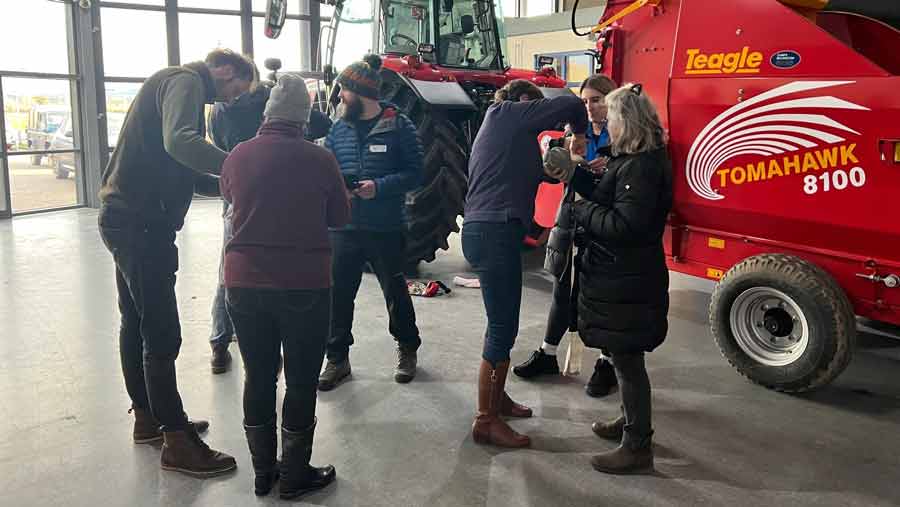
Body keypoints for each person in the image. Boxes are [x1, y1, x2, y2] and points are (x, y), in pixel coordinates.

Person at [97, 48, 255, 477]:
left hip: (124, 217)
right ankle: (177, 442)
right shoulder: (184, 81)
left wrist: (230, 185)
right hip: (142, 226)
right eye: (236, 87)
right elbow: (180, 144)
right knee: (162, 333)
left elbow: (182, 168)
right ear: (223, 70)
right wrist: (241, 166)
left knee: (137, 322)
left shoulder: (171, 87)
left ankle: (149, 419)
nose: (233, 99)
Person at [221, 74, 349, 498]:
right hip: (304, 285)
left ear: (266, 114)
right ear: (304, 118)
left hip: (243, 283)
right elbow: (339, 218)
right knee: (299, 379)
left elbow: (229, 200)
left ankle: (263, 473)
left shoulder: (237, 155)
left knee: (258, 376)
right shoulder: (320, 159)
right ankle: (294, 475)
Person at [544, 83, 673, 474]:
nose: (607, 123)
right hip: (621, 274)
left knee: (628, 359)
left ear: (627, 121)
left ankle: (637, 445)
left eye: (612, 117)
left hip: (627, 275)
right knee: (622, 356)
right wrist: (574, 177)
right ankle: (631, 422)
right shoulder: (630, 158)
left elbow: (625, 224)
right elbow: (606, 195)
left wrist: (581, 210)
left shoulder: (641, 166)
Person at [462, 79, 588, 448]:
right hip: (494, 232)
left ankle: (497, 400)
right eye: (534, 110)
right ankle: (486, 420)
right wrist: (577, 133)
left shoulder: (500, 132)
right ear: (522, 102)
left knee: (503, 323)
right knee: (502, 327)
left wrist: (562, 161)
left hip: (487, 230)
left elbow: (541, 175)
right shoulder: (506, 112)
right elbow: (570, 104)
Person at [206, 67, 334, 374]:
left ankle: (220, 344)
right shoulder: (268, 102)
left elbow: (218, 145)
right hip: (285, 201)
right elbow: (320, 123)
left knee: (231, 269)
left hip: (240, 195)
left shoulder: (220, 111)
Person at [318, 54, 424, 391]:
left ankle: (408, 348)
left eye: (343, 92)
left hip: (385, 226)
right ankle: (337, 359)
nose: (339, 98)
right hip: (344, 228)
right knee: (338, 295)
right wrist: (339, 191)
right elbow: (329, 169)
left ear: (359, 92)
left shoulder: (400, 125)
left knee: (395, 291)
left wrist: (378, 188)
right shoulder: (339, 128)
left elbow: (416, 172)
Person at [514, 75, 621, 398]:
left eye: (597, 100)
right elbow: (554, 171)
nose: (590, 107)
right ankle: (547, 353)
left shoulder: (624, 137)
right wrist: (553, 157)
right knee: (563, 288)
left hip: (605, 223)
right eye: (586, 101)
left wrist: (609, 168)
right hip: (571, 219)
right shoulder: (574, 132)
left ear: (612, 100)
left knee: (603, 295)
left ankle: (606, 362)